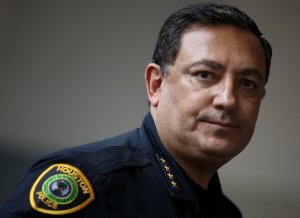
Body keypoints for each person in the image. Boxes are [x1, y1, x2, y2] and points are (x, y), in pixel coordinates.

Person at [0, 2, 272, 217]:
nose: (228, 99)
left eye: (247, 83)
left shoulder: (225, 213)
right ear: (156, 85)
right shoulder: (91, 182)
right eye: (204, 74)